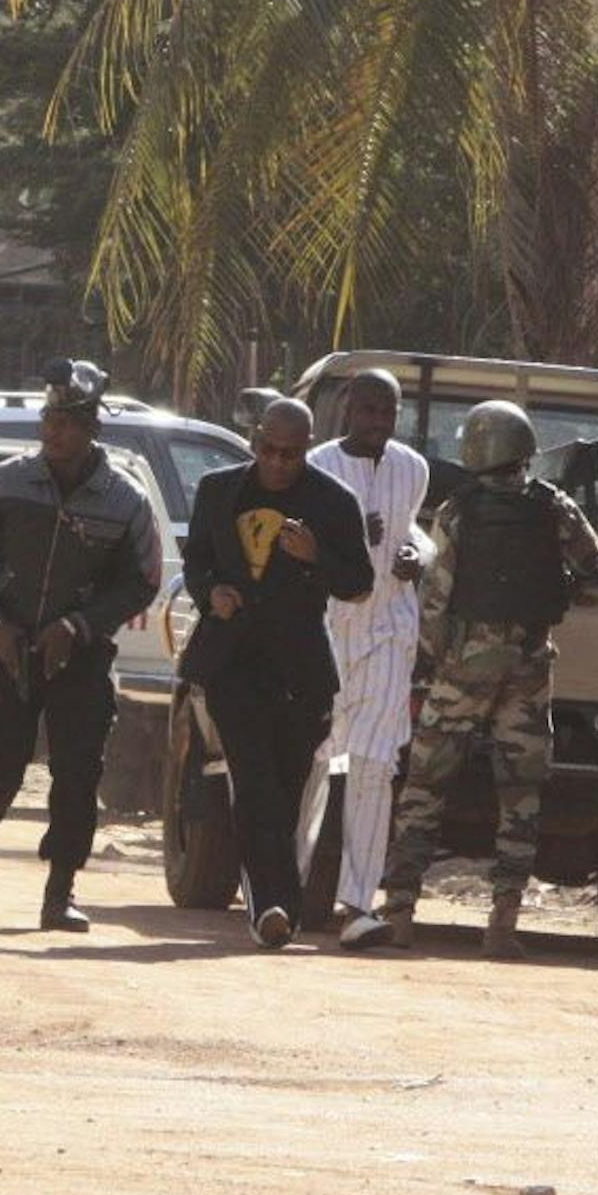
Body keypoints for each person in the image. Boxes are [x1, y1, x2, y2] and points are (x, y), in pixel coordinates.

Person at [381, 400, 598, 958]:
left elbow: (435, 598)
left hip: (464, 667)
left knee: (424, 789)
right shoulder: (555, 507)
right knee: (521, 800)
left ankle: (399, 915)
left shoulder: (457, 511)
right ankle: (502, 926)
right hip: (528, 668)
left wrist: (436, 659)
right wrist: (555, 595)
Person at [0, 359, 164, 932]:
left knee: (77, 772)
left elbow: (142, 581)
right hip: (8, 649)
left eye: (66, 422)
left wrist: (80, 626)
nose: (53, 431)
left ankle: (60, 890)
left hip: (81, 659)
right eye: (48, 419)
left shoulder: (126, 501)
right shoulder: (4, 483)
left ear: (92, 427)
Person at [180, 398, 373, 949]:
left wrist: (316, 556)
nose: (278, 462)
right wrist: (210, 593)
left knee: (285, 792)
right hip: (232, 661)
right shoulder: (219, 490)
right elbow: (196, 561)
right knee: (254, 780)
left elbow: (358, 584)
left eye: (291, 454)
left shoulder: (334, 501)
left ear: (307, 448)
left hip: (300, 670)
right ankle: (272, 904)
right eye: (269, 449)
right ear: (255, 440)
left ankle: (278, 901)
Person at [301, 370, 431, 950]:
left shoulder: (413, 467)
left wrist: (417, 553)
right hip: (327, 629)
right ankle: (287, 889)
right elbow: (297, 541)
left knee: (374, 766)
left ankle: (358, 905)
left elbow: (416, 531)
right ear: (348, 409)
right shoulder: (318, 466)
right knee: (314, 761)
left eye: (388, 412)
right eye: (369, 410)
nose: (379, 422)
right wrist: (346, 536)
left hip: (389, 630)